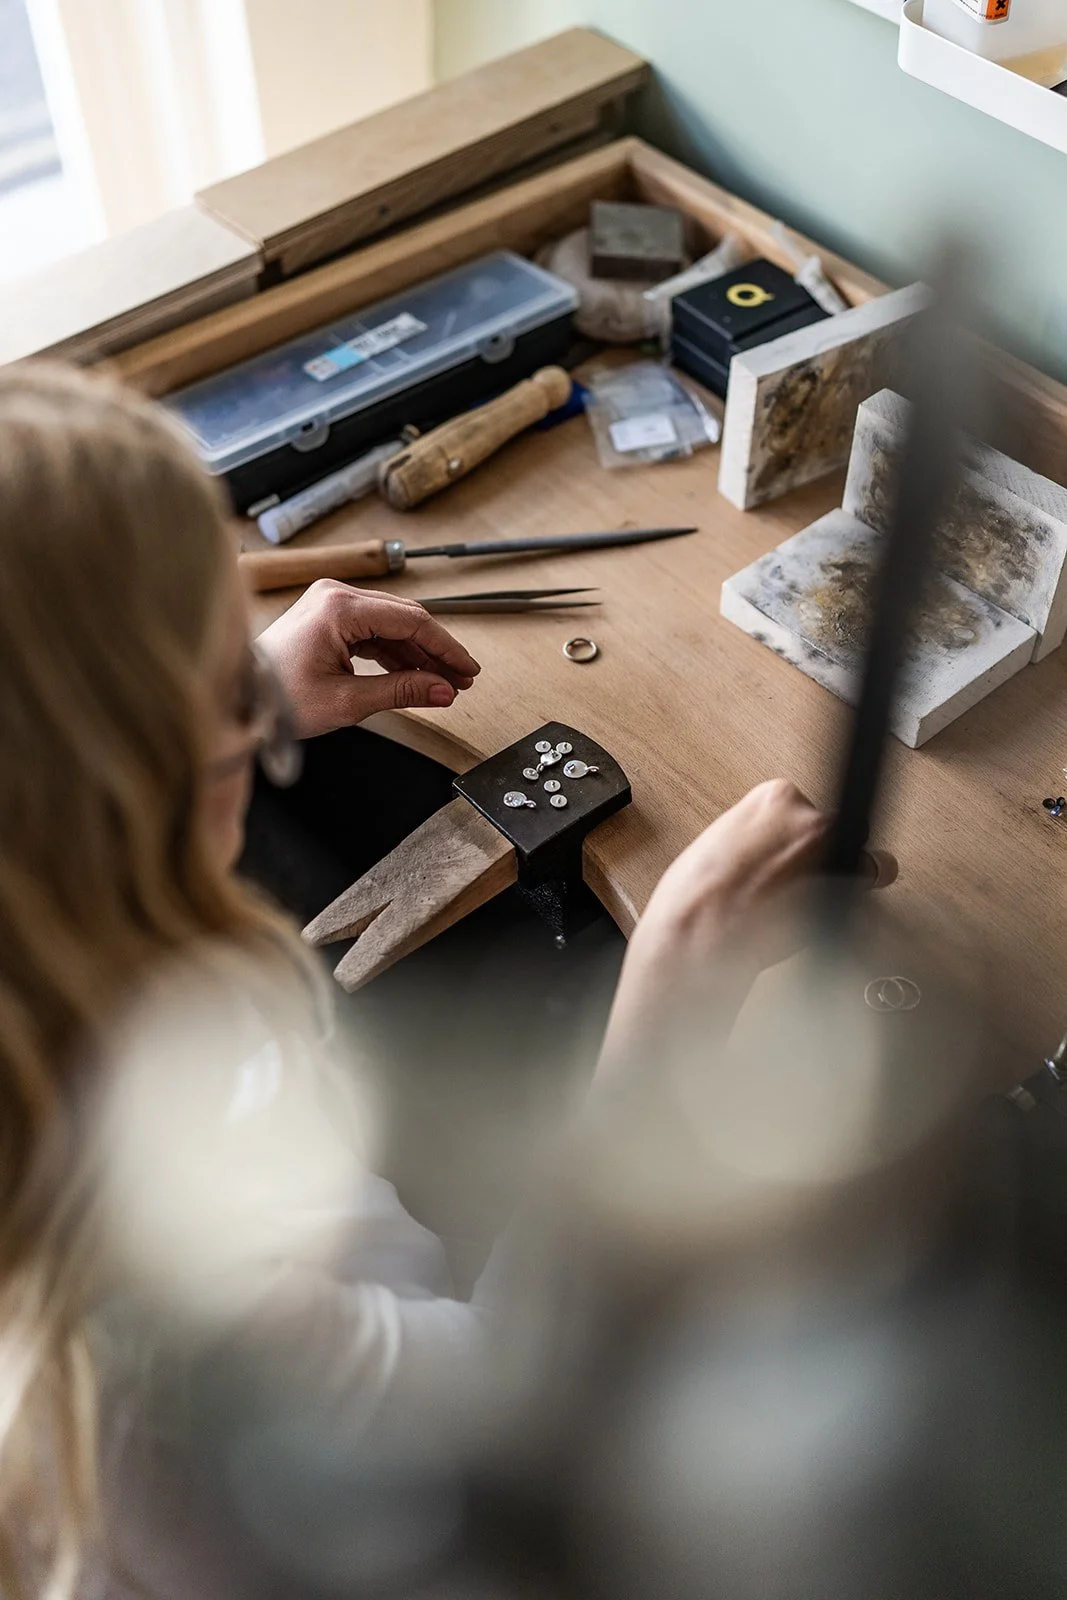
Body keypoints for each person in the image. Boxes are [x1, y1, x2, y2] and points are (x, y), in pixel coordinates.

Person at [0, 364, 860, 1599]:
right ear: (117, 780)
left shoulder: (48, 933)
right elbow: (520, 1404)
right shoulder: (164, 1344)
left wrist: (227, 706)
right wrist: (680, 971)